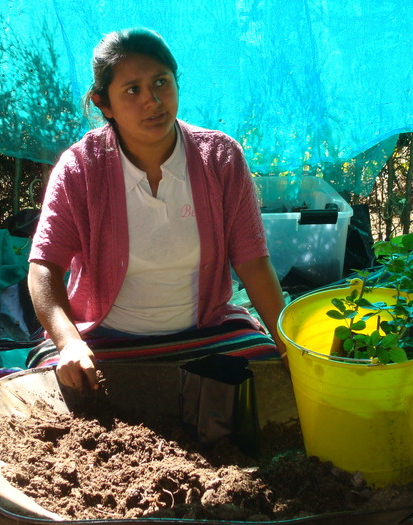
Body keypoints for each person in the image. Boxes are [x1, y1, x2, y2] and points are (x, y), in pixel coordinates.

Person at [28, 28, 288, 393]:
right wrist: (69, 342)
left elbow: (252, 262)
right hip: (102, 339)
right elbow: (43, 268)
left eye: (161, 82)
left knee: (267, 379)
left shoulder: (220, 158)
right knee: (53, 389)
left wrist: (287, 343)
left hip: (205, 332)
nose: (153, 100)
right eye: (132, 90)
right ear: (104, 104)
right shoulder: (80, 169)